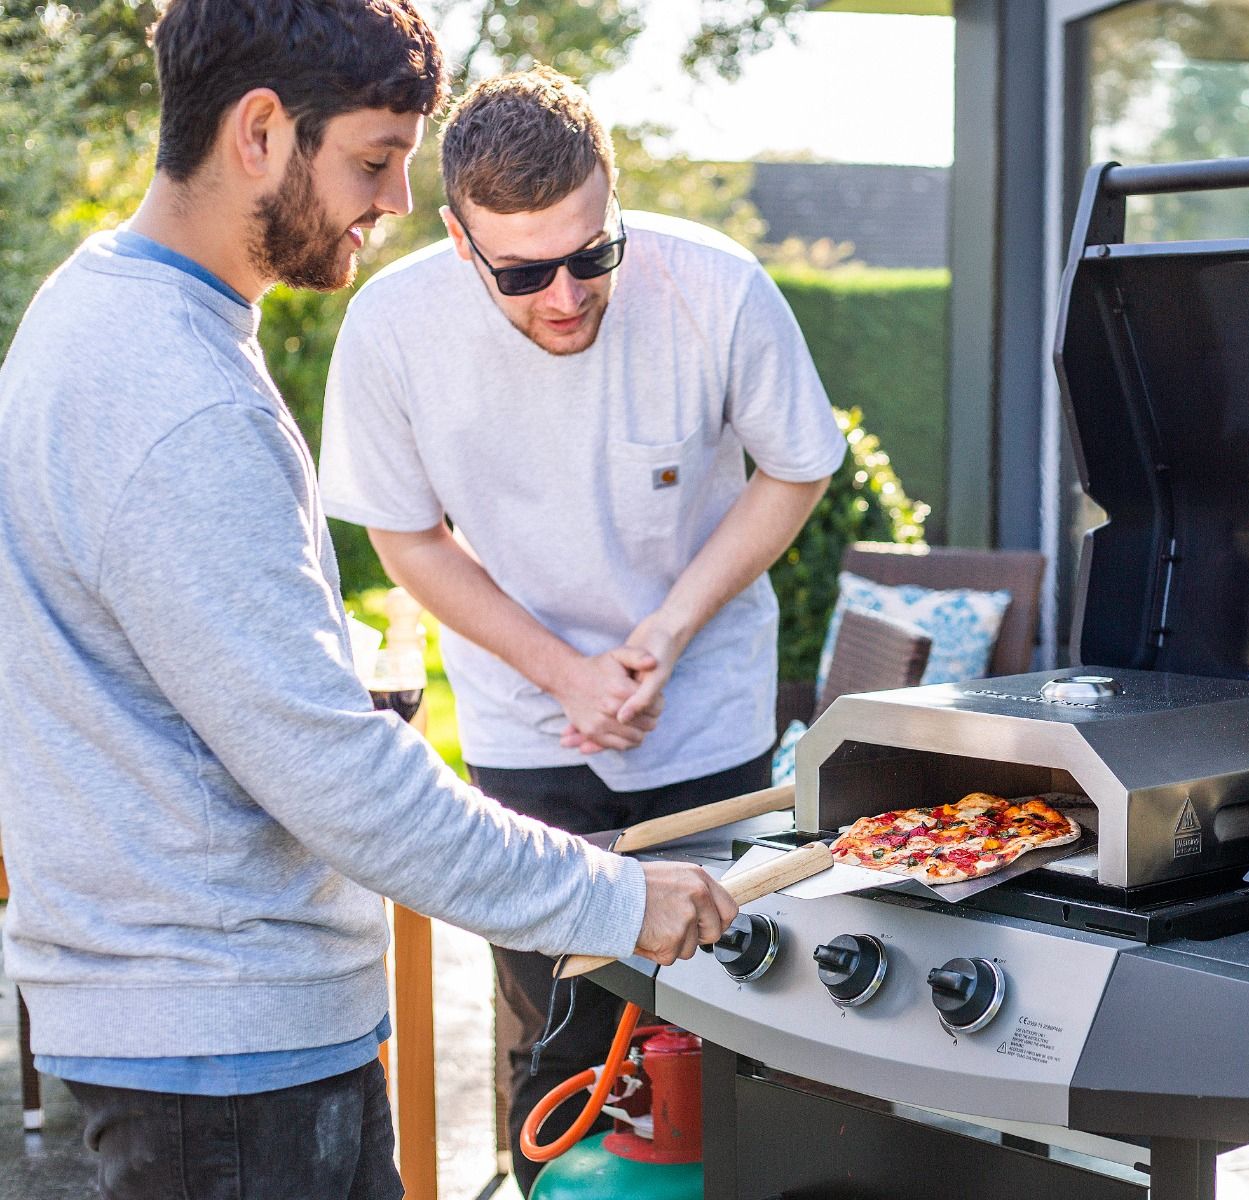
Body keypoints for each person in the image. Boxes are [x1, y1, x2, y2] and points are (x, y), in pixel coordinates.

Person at [0, 5, 734, 1199]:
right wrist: (609, 900)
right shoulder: (180, 395)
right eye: (375, 159)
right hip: (226, 1048)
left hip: (199, 1030)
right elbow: (328, 771)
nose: (396, 201)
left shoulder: (99, 315)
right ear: (259, 133)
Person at [319, 68, 843, 1191]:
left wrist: (666, 631)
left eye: (590, 253)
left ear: (613, 200)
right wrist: (565, 674)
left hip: (707, 728)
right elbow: (405, 539)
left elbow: (795, 468)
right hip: (526, 734)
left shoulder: (718, 288)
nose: (564, 296)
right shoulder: (391, 326)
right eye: (522, 271)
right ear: (460, 238)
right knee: (553, 1034)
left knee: (732, 1031)